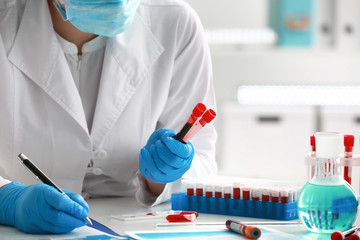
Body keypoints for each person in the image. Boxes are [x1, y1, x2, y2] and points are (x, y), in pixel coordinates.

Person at [0, 0, 217, 234]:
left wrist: (162, 178)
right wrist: (9, 200)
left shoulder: (175, 22)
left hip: (139, 224)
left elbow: (203, 158)